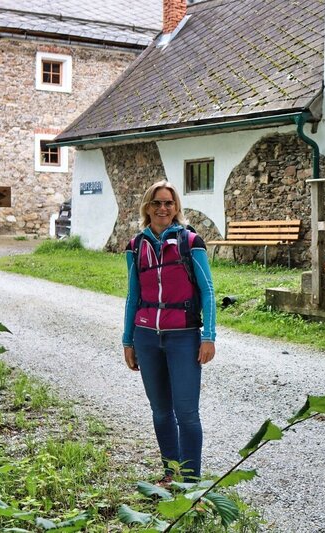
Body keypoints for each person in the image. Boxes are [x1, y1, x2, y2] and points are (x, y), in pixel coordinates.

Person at [122, 180, 216, 483]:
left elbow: (208, 291)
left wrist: (208, 336)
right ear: (147, 207)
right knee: (161, 412)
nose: (163, 208)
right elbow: (132, 296)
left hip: (183, 336)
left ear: (176, 208)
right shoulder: (136, 246)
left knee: (186, 413)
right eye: (157, 203)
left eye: (169, 203)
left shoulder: (191, 243)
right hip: (146, 337)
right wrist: (127, 340)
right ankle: (171, 475)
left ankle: (191, 483)